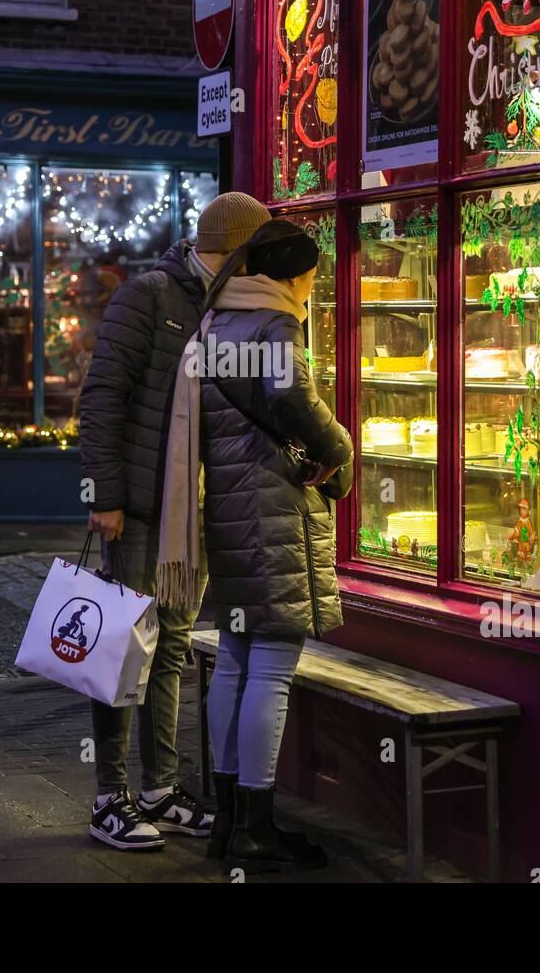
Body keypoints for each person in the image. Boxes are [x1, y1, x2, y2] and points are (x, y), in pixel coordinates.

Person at [156, 219, 353, 871]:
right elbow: (290, 395)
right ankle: (257, 828)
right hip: (272, 516)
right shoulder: (276, 324)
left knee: (236, 663)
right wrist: (341, 447)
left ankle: (231, 822)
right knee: (270, 669)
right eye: (312, 277)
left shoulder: (215, 324)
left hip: (228, 517)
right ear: (294, 275)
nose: (313, 289)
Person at [78, 192, 268, 851]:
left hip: (194, 515)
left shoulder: (232, 306)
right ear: (233, 250)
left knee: (172, 651)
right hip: (139, 511)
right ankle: (110, 798)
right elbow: (102, 395)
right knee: (122, 651)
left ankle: (158, 787)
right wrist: (105, 495)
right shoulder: (151, 296)